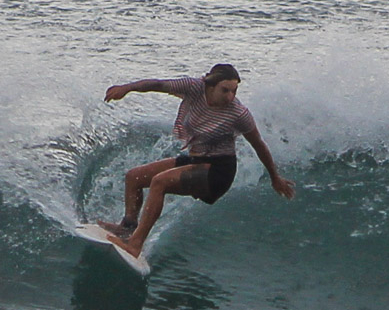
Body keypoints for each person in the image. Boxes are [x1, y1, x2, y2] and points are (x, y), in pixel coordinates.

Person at [100, 63, 295, 258]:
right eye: (225, 90)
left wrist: (275, 177)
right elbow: (158, 84)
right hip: (196, 161)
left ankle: (135, 245)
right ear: (210, 85)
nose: (230, 97)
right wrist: (128, 88)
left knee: (159, 182)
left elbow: (259, 144)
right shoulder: (193, 88)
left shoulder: (238, 113)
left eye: (234, 91)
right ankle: (127, 227)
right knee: (134, 177)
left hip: (219, 171)